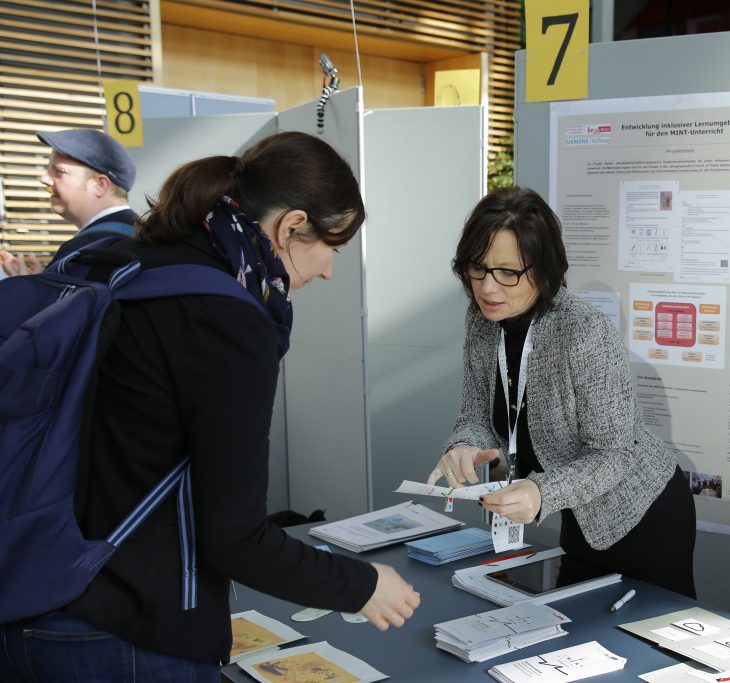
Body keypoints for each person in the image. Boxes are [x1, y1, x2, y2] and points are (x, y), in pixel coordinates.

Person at [0, 132, 419, 682]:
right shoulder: (227, 320)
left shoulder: (122, 262)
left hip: (30, 597)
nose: (327, 272)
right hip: (125, 636)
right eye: (332, 248)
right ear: (292, 227)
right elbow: (236, 539)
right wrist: (364, 586)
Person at [428, 186, 696, 597]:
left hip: (642, 511)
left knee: (651, 643)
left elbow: (617, 452)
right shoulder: (481, 322)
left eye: (507, 272)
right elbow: (477, 414)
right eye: (476, 268)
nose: (488, 287)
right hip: (580, 513)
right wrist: (464, 445)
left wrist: (541, 491)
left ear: (543, 268)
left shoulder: (582, 330)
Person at [0, 128, 139, 276]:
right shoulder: (141, 233)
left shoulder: (87, 249)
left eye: (59, 171)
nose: (44, 179)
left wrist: (28, 290)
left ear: (100, 185)